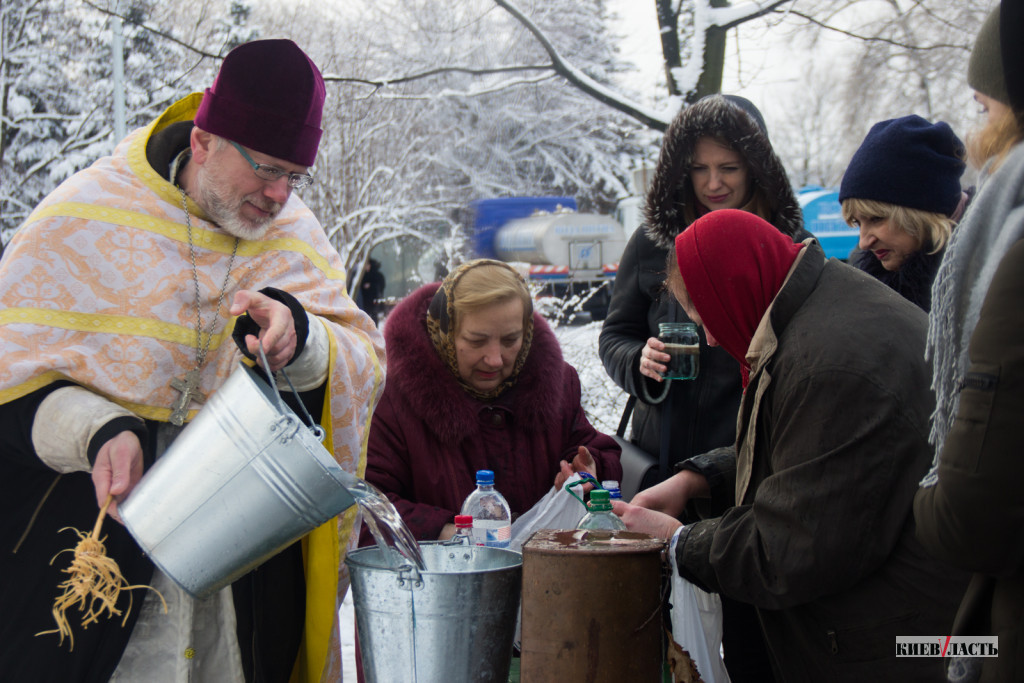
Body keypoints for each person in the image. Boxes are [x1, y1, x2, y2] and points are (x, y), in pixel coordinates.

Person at [0, 40, 386, 682]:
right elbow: (11, 382)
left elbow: (360, 362)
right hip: (84, 549)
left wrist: (302, 341)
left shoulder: (298, 237)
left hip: (241, 566)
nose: (279, 194)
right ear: (204, 140)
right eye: (266, 168)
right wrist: (98, 426)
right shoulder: (82, 215)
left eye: (295, 175)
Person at [614, 209, 968, 682]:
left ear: (734, 286)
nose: (713, 338)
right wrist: (698, 478)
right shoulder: (816, 305)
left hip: (905, 645)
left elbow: (788, 549)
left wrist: (678, 542)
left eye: (705, 313)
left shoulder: (831, 364)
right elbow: (806, 449)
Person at [598, 93, 805, 682]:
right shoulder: (652, 241)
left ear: (757, 167)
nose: (713, 183)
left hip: (745, 454)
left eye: (729, 168)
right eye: (699, 168)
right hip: (662, 452)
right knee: (661, 624)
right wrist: (642, 360)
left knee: (746, 620)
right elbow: (614, 335)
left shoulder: (782, 243)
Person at [914, 2, 1024, 681]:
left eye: (985, 108)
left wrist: (925, 488)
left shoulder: (1013, 255)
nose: (977, 136)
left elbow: (969, 514)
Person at [362, 259, 622, 543]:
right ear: (445, 333)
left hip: (547, 579)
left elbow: (594, 447)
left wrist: (585, 471)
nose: (495, 359)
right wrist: (448, 531)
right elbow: (366, 505)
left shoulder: (558, 384)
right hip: (443, 579)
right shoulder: (394, 399)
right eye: (476, 341)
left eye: (511, 340)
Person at [840, 114, 968, 311]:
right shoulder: (866, 288)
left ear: (924, 211)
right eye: (858, 223)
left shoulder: (991, 271)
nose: (864, 242)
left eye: (876, 218)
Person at [358, 258, 387, 324]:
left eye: (367, 265)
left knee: (374, 315)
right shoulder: (363, 275)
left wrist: (371, 286)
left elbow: (381, 286)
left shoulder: (378, 276)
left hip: (374, 299)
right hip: (365, 300)